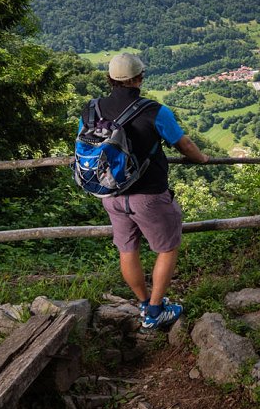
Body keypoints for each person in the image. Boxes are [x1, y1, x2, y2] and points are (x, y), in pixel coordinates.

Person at [86, 52, 209, 330]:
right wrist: (202, 159)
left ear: (110, 79)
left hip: (110, 194)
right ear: (139, 79)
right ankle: (155, 311)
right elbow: (184, 144)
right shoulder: (154, 111)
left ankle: (144, 303)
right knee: (167, 248)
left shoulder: (91, 110)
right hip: (149, 195)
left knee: (127, 249)